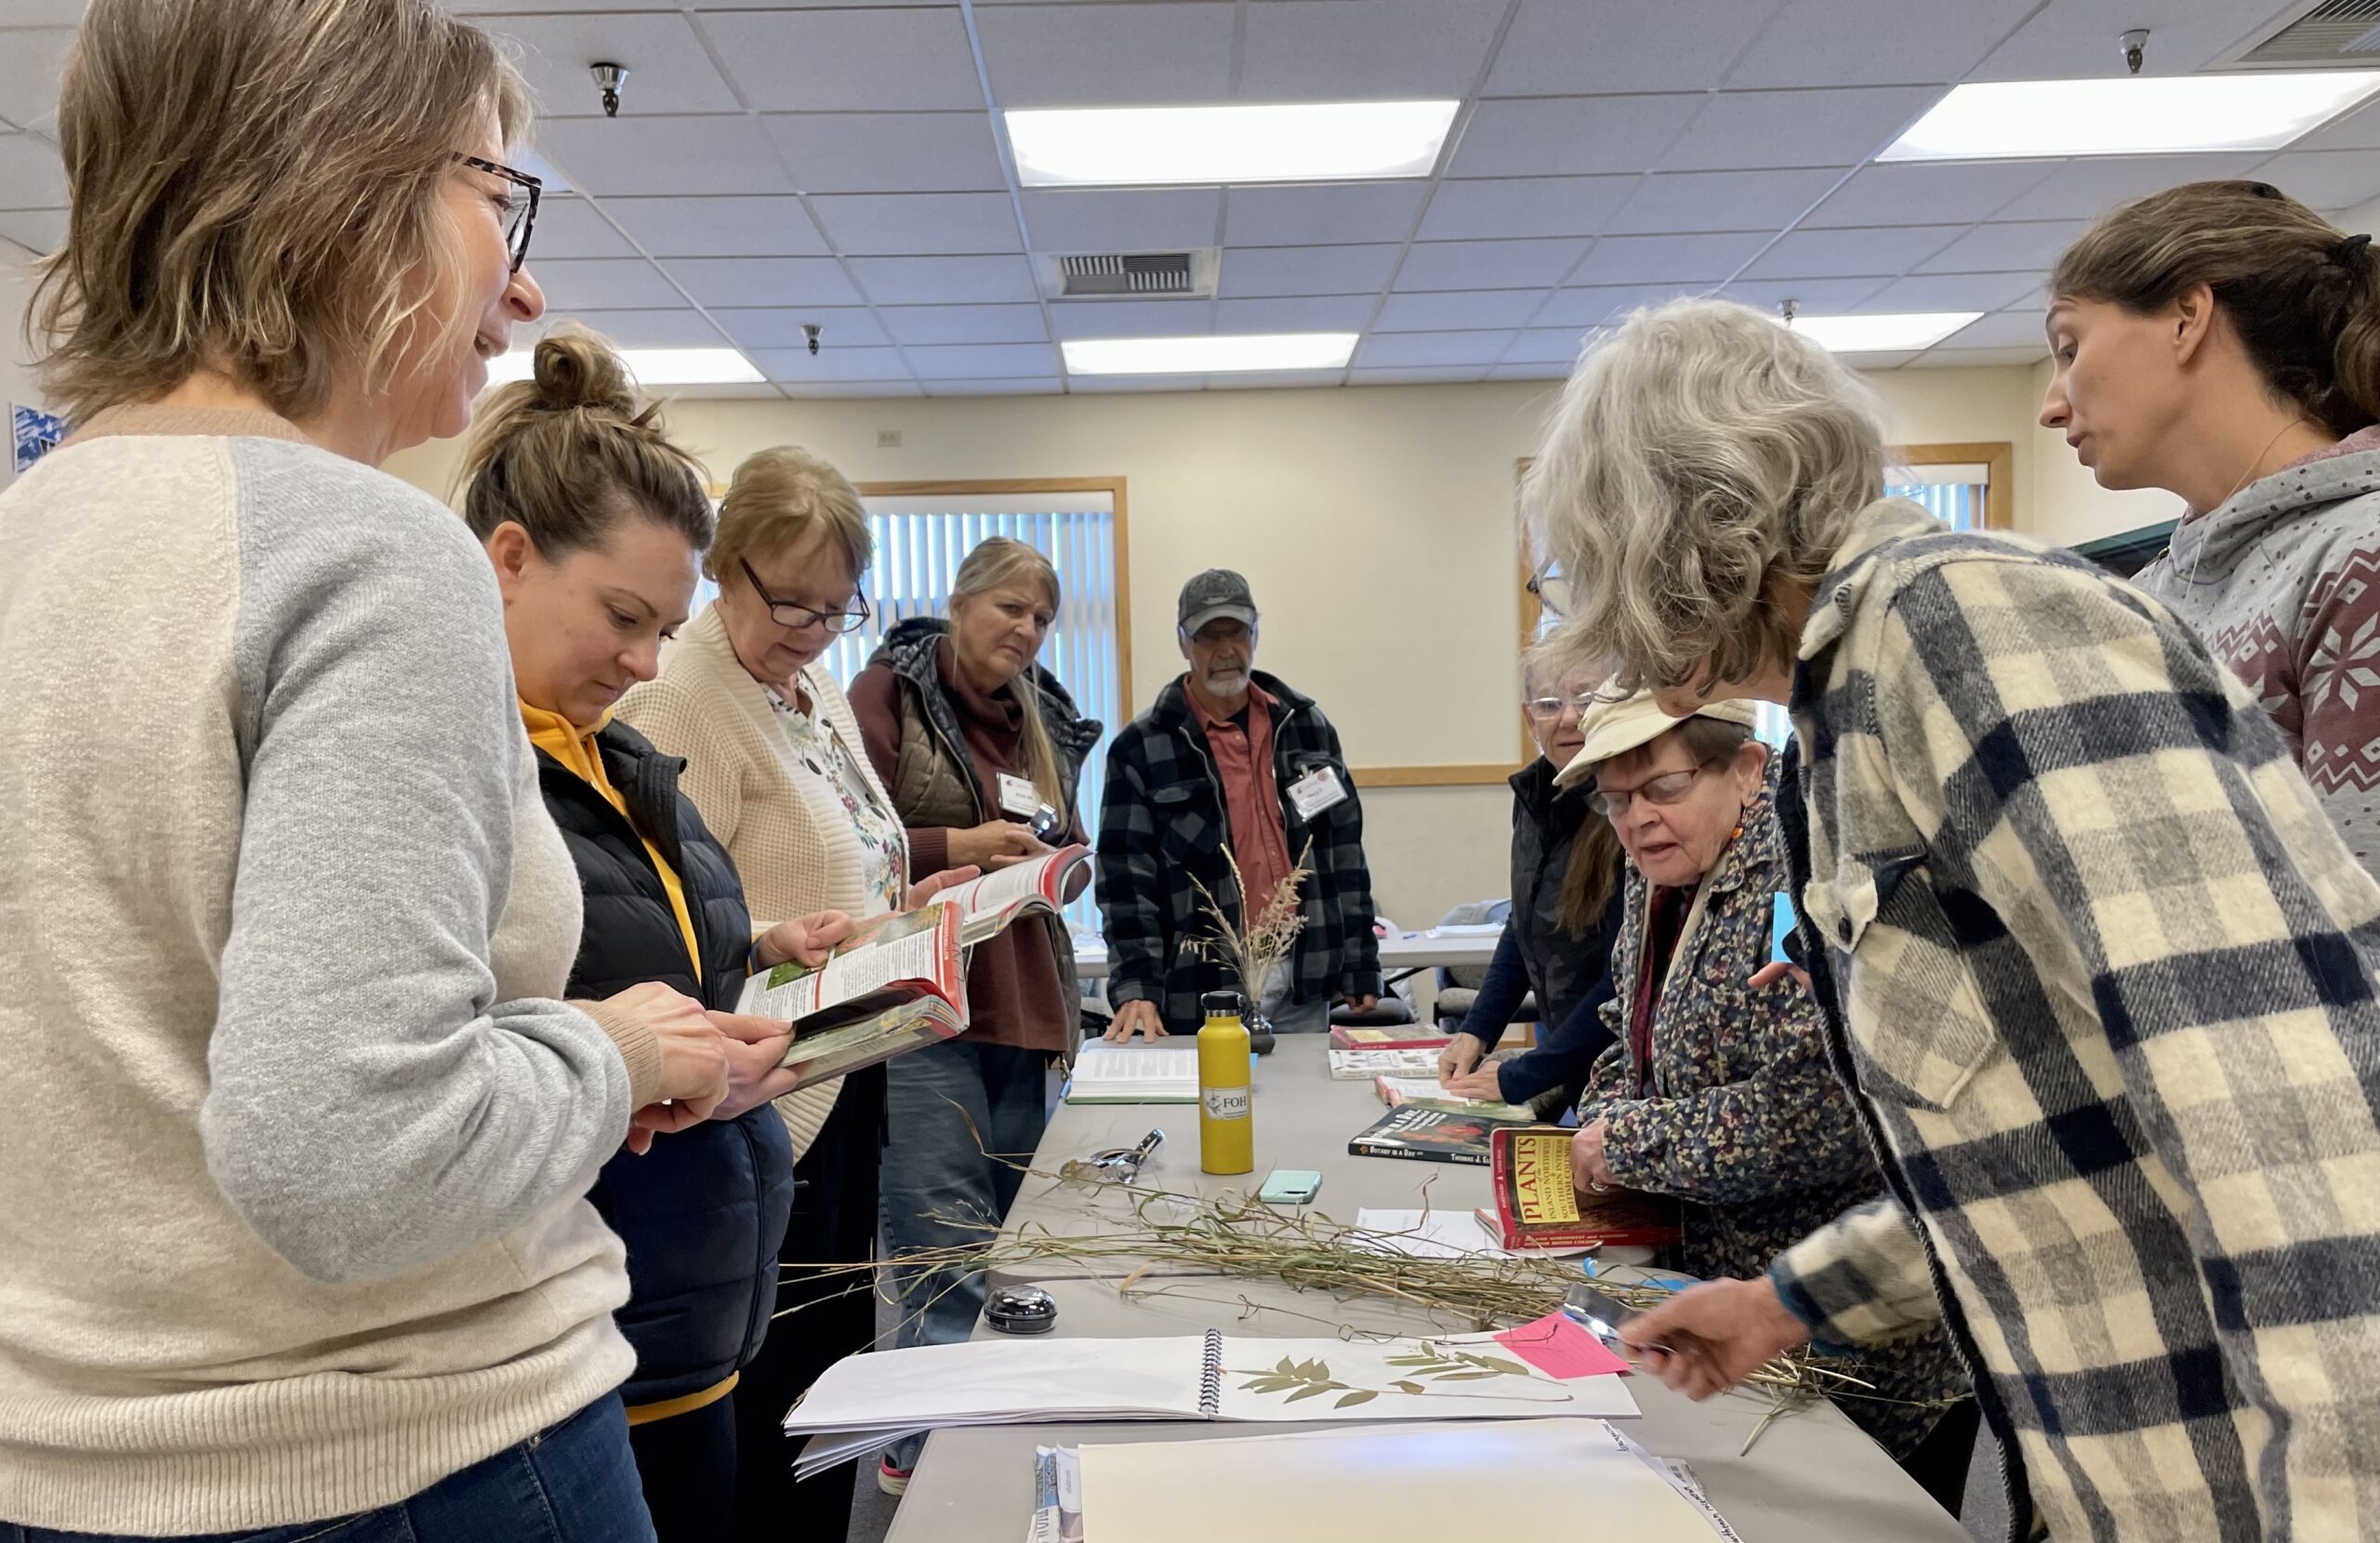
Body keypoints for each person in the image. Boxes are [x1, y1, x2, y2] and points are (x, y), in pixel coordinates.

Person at [0, 2, 738, 1537]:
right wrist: (619, 1058)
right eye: (495, 197)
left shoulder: (33, 537)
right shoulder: (366, 550)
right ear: (345, 186)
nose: (522, 287)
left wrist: (536, 1057)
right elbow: (352, 1161)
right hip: (404, 1457)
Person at [1529, 295, 2380, 1541]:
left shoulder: (1961, 625)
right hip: (2096, 1462)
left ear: (1678, 529)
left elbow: (2276, 1100)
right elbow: (2033, 1132)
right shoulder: (1841, 704)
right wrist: (1788, 1300)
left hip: (2239, 1484)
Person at [456, 331, 885, 1539]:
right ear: (510, 561)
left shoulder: (620, 753)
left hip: (694, 1292)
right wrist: (646, 1056)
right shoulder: (477, 774)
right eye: (623, 617)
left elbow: (652, 958)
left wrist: (752, 948)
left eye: (666, 625)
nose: (646, 661)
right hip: (593, 1327)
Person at [616, 444, 966, 1533]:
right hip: (755, 1088)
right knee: (776, 1400)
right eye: (789, 604)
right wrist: (780, 944)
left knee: (833, 1370)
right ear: (722, 568)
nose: (813, 632)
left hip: (835, 1068)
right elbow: (663, 927)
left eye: (835, 609)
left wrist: (906, 907)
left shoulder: (805, 688)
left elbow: (835, 856)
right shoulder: (681, 699)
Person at [1559, 690, 1973, 1509]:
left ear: (1747, 768)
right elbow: (1626, 1029)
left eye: (1662, 788)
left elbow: (1820, 1114)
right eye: (1616, 800)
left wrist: (1628, 1141)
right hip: (1733, 1319)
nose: (1637, 818)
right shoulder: (1661, 876)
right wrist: (1608, 1113)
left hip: (1859, 1342)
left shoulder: (1805, 877)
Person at [848, 535, 1102, 1491]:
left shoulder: (1049, 718)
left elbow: (1071, 854)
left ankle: (986, 1431)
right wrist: (962, 841)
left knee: (1006, 1245)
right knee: (935, 1244)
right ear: (960, 600)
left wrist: (1056, 864)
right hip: (926, 1012)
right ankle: (916, 1456)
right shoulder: (888, 696)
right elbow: (850, 845)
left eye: (1041, 616)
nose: (1027, 629)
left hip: (1024, 1007)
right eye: (1010, 608)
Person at [2041, 178, 2380, 877]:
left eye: (2070, 348)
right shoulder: (2155, 589)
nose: (2051, 404)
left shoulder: (2360, 558)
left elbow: (2360, 926)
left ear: (2186, 317)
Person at [1097, 569, 1382, 1038]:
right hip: (1204, 988)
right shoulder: (1141, 747)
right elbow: (1126, 884)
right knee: (1215, 1111)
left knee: (1301, 1110)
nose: (1226, 650)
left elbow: (1344, 856)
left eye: (1237, 633)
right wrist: (1136, 986)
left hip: (1303, 977)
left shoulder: (1307, 725)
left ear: (1256, 633)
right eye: (1209, 636)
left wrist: (1360, 962)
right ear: (1183, 643)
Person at [1436, 645, 1626, 1112]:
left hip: (1623, 1073)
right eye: (1548, 704)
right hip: (1569, 1061)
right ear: (1529, 719)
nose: (1568, 718)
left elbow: (1622, 981)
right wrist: (1476, 1031)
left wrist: (1525, 1074)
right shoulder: (1536, 796)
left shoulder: (1627, 809)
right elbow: (1524, 928)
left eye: (1586, 699)